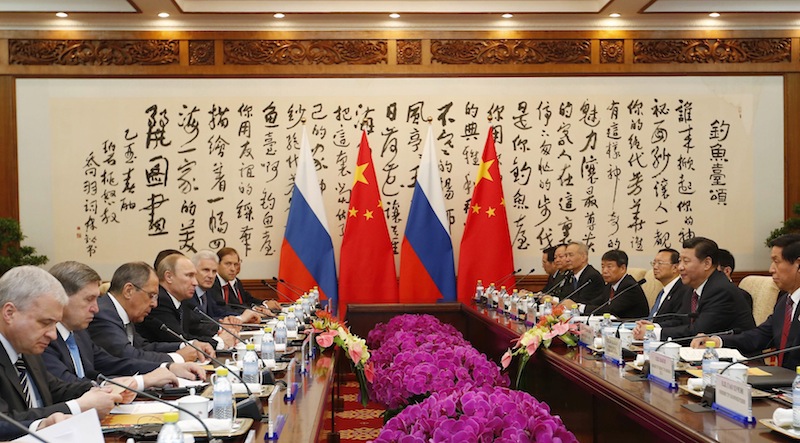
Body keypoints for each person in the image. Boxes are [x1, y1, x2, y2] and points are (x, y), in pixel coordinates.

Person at [43, 261, 206, 386]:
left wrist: (168, 367)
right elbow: (68, 385)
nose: (96, 308)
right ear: (60, 299)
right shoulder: (45, 339)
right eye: (89, 299)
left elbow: (112, 364)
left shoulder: (79, 333)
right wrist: (141, 382)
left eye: (96, 299)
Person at [0, 266, 123, 425]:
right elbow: (4, 422)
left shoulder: (26, 348)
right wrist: (77, 406)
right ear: (9, 313)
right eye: (45, 322)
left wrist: (101, 390)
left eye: (55, 324)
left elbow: (55, 389)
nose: (53, 335)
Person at [690, 234, 800, 368]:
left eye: (776, 261)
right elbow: (760, 336)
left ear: (798, 264)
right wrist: (717, 341)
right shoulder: (785, 302)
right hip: (782, 382)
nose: (771, 269)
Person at [88, 262, 215, 364]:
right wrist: (177, 358)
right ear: (128, 291)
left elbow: (143, 347)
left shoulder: (122, 314)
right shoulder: (103, 314)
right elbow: (128, 355)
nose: (155, 304)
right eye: (151, 295)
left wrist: (187, 345)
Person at [635, 237, 755, 341]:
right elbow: (680, 321)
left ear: (707, 263)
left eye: (686, 261)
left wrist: (653, 333)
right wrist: (654, 326)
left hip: (738, 360)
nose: (680, 267)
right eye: (679, 261)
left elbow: (698, 332)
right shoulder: (691, 288)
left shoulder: (721, 290)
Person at [137, 254, 238, 350]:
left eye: (194, 276)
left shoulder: (182, 300)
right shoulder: (160, 301)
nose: (195, 282)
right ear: (168, 277)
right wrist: (219, 341)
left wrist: (221, 330)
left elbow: (196, 326)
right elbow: (178, 339)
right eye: (189, 276)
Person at [634, 249, 690, 334]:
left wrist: (654, 327)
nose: (655, 267)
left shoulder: (683, 290)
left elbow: (679, 321)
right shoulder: (662, 292)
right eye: (654, 263)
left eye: (660, 263)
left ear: (675, 268)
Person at [589, 249, 649, 318]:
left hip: (633, 326)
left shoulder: (629, 287)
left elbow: (610, 310)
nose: (604, 271)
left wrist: (582, 308)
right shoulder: (610, 285)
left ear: (622, 268)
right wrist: (578, 306)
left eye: (609, 267)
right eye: (603, 267)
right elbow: (597, 302)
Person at [558, 242, 604, 310]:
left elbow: (582, 302)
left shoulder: (592, 276)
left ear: (583, 257)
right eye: (566, 255)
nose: (567, 259)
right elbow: (565, 296)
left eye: (570, 255)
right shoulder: (569, 275)